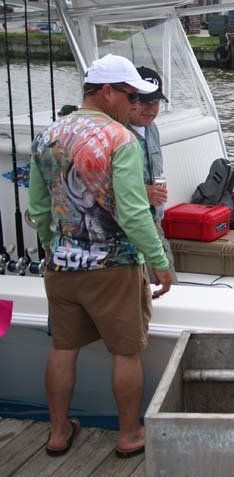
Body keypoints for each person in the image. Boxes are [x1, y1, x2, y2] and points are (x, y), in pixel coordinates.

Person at [27, 54, 173, 459]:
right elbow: (131, 210)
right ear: (106, 92)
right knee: (126, 351)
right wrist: (158, 259)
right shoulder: (120, 139)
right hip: (114, 267)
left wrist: (57, 246)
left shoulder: (47, 136)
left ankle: (58, 434)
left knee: (62, 348)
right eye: (129, 96)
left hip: (60, 264)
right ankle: (129, 436)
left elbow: (39, 207)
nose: (134, 106)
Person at [125, 66, 176, 283]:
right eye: (145, 102)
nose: (151, 109)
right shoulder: (114, 133)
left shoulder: (152, 128)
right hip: (129, 234)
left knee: (171, 290)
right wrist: (143, 193)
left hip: (155, 226)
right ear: (130, 100)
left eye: (156, 103)